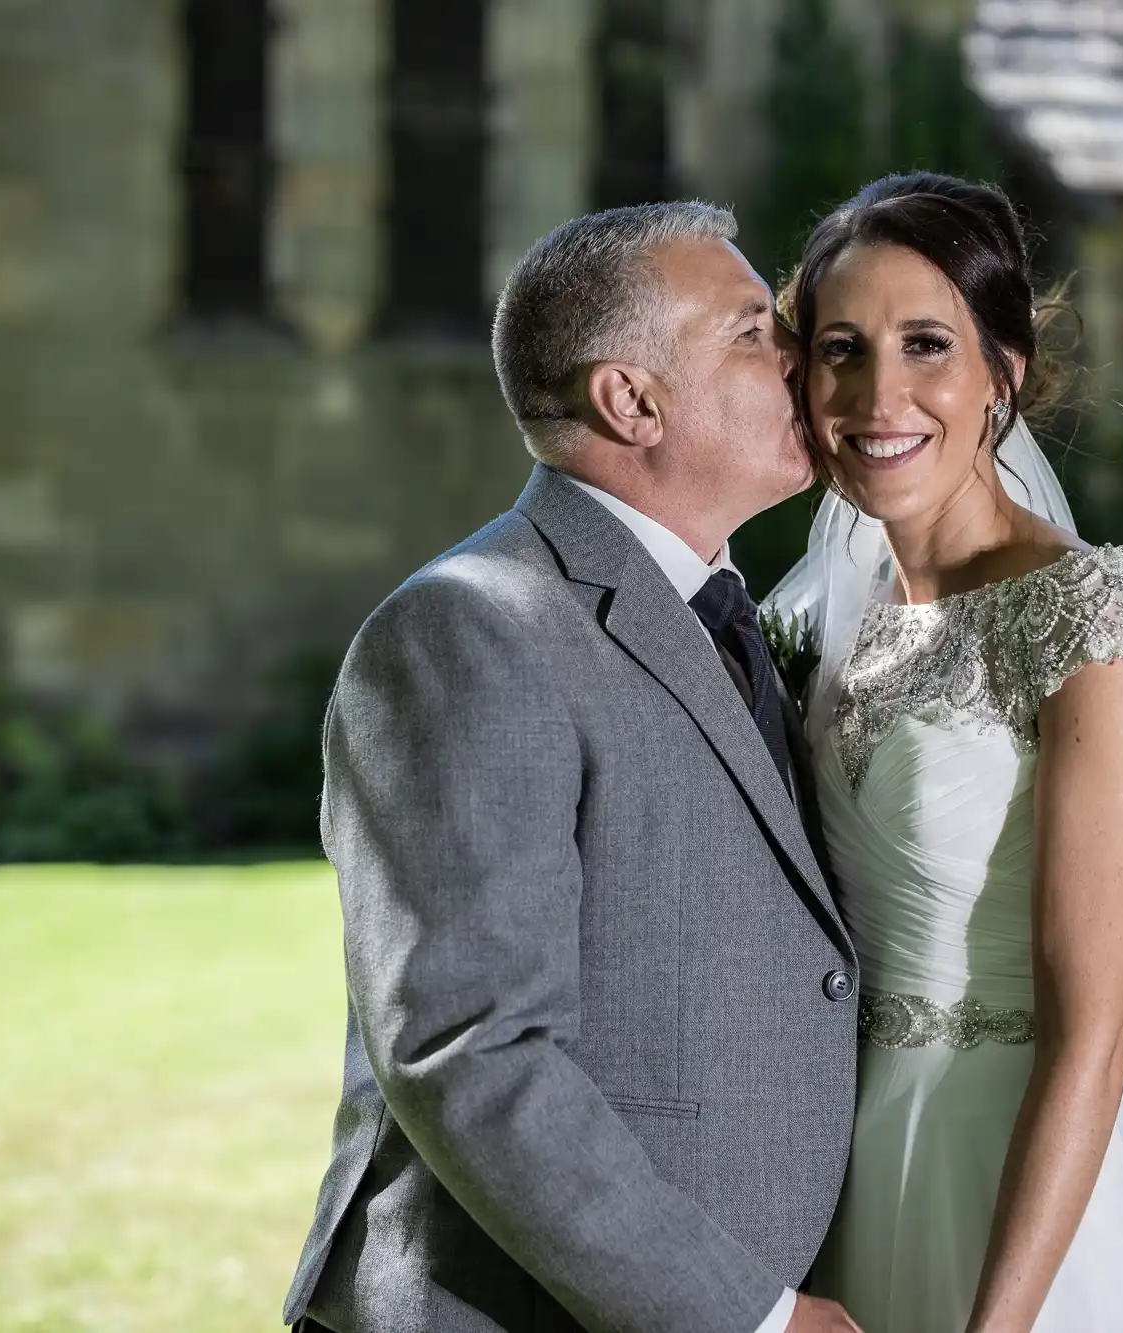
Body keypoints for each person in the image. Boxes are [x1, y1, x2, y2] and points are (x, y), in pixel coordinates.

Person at [282, 202, 864, 1333]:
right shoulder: (467, 631)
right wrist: (747, 1317)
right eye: (752, 332)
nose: (800, 355)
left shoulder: (725, 611)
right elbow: (469, 1050)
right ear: (630, 399)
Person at [767, 173, 1123, 1332]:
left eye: (926, 344)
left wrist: (997, 1324)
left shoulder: (1088, 615)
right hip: (848, 1176)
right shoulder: (837, 619)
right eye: (841, 349)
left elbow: (1090, 1040)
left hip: (1018, 1198)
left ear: (1000, 374)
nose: (878, 393)